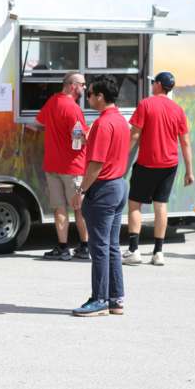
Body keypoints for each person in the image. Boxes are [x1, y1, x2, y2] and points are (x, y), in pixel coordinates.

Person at [70, 75, 130, 317]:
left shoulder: (103, 123)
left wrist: (81, 191)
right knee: (112, 246)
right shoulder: (120, 120)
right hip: (118, 185)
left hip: (103, 189)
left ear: (100, 97)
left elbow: (96, 163)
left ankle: (100, 299)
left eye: (90, 93)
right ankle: (116, 297)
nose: (88, 97)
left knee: (100, 248)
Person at [123, 71, 194, 266]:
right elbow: (185, 142)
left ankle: (134, 250)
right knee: (160, 206)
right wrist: (189, 171)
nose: (152, 85)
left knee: (135, 204)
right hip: (169, 165)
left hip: (146, 164)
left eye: (154, 82)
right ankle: (158, 252)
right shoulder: (178, 110)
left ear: (159, 85)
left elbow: (135, 135)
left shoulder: (146, 104)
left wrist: (121, 156)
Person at [33, 71, 90, 260]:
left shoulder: (53, 101)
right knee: (79, 209)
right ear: (73, 86)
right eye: (82, 84)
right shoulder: (73, 109)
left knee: (59, 209)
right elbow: (81, 137)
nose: (84, 88)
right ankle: (85, 247)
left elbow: (37, 123)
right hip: (73, 167)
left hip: (52, 164)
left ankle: (63, 247)